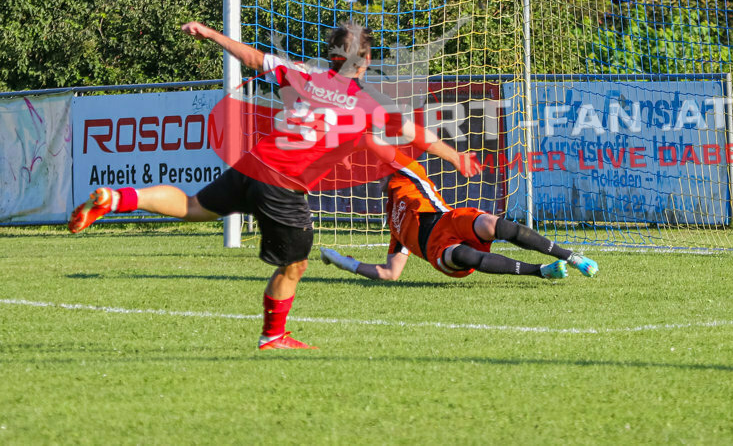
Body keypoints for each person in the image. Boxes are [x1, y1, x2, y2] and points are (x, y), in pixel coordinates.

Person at [68, 20, 481, 351]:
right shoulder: (367, 103)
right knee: (295, 266)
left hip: (253, 164)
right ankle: (273, 336)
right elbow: (414, 133)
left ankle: (118, 197)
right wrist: (456, 157)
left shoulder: (302, 75)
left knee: (195, 205)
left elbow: (253, 58)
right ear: (364, 60)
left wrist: (211, 34)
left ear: (330, 56)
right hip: (284, 187)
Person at [320, 145, 599, 282]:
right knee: (462, 256)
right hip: (438, 249)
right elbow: (391, 273)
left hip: (448, 219)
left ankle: (570, 256)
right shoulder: (392, 219)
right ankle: (540, 272)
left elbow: (373, 144)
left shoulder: (406, 174)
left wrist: (344, 151)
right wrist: (345, 263)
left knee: (492, 224)